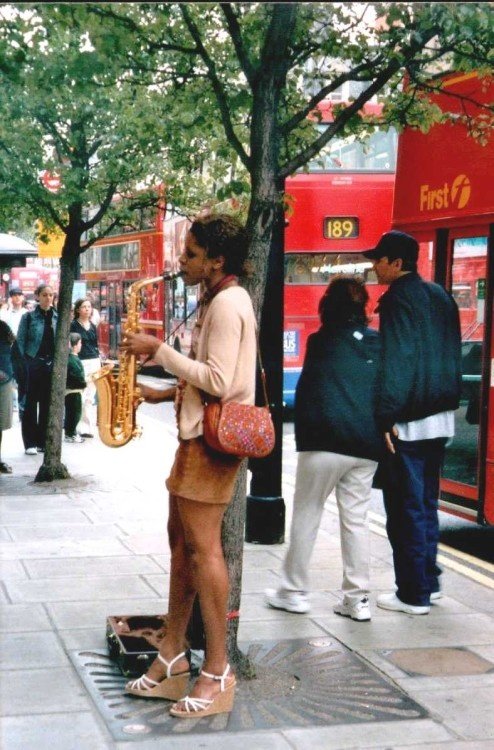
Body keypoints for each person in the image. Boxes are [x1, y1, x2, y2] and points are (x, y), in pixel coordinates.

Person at [121, 213, 256, 719]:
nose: (183, 261)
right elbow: (207, 380)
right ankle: (172, 656)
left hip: (210, 447)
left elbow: (220, 381)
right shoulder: (218, 298)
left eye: (193, 253)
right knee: (182, 548)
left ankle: (217, 669)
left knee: (203, 553)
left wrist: (158, 351)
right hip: (196, 440)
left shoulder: (227, 303)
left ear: (217, 260)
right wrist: (160, 392)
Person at [265, 276, 382, 621]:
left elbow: (310, 389)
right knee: (356, 521)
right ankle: (357, 600)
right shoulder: (377, 343)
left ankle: (293, 591)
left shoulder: (320, 341)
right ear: (362, 309)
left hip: (324, 442)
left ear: (327, 307)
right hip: (364, 443)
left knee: (307, 513)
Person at [363, 231, 462, 615]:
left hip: (408, 420)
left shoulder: (399, 301)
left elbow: (398, 364)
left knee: (405, 508)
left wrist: (386, 416)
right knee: (426, 504)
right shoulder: (440, 296)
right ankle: (430, 582)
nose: (375, 266)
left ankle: (413, 593)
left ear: (397, 263)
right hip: (441, 418)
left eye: (379, 259)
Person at [16, 284, 58, 455]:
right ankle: (30, 443)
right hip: (32, 364)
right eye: (44, 295)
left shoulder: (58, 317)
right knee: (30, 404)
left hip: (51, 365)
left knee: (47, 405)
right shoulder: (29, 318)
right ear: (37, 297)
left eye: (51, 295)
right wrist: (25, 364)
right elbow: (20, 342)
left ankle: (42, 442)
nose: (48, 298)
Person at [70, 298, 101, 438]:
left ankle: (87, 427)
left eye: (89, 307)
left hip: (94, 361)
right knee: (80, 395)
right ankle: (77, 426)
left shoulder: (93, 325)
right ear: (78, 310)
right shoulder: (73, 325)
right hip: (80, 361)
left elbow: (95, 344)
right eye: (84, 307)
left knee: (90, 396)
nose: (87, 309)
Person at [0, 288, 27, 414]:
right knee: (8, 378)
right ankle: (11, 405)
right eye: (14, 295)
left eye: (19, 295)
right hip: (7, 352)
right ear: (11, 298)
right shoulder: (4, 314)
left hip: (23, 352)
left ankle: (22, 407)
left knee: (23, 380)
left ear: (22, 297)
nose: (17, 298)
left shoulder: (27, 314)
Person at [64, 333, 87, 444]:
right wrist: (85, 382)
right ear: (74, 346)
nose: (81, 345)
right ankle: (71, 434)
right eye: (80, 343)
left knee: (71, 413)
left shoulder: (71, 358)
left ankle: (70, 432)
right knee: (75, 414)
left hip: (71, 391)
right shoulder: (72, 359)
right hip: (74, 391)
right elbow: (77, 376)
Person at [0, 320, 15, 473]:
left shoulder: (3, 327)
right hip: (4, 377)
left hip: (3, 380)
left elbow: (11, 351)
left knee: (0, 423)